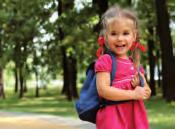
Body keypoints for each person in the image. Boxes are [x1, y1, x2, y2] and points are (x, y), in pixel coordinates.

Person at [95, 5, 151, 129]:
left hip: (135, 117)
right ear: (105, 37)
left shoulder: (135, 64)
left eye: (125, 33)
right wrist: (133, 94)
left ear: (134, 36)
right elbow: (103, 90)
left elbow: (146, 93)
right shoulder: (106, 60)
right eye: (113, 33)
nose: (120, 38)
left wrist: (141, 87)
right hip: (113, 118)